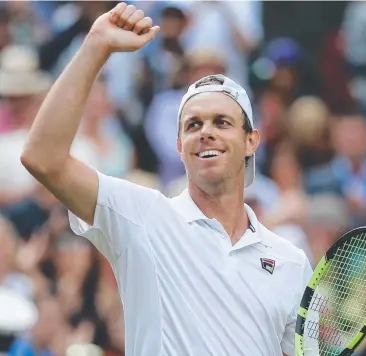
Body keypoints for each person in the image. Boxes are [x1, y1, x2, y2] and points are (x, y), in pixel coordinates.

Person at [21, 3, 312, 355]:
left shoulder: (291, 262)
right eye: (193, 125)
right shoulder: (141, 216)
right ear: (179, 146)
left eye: (222, 122)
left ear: (251, 141)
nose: (206, 133)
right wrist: (96, 45)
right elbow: (43, 159)